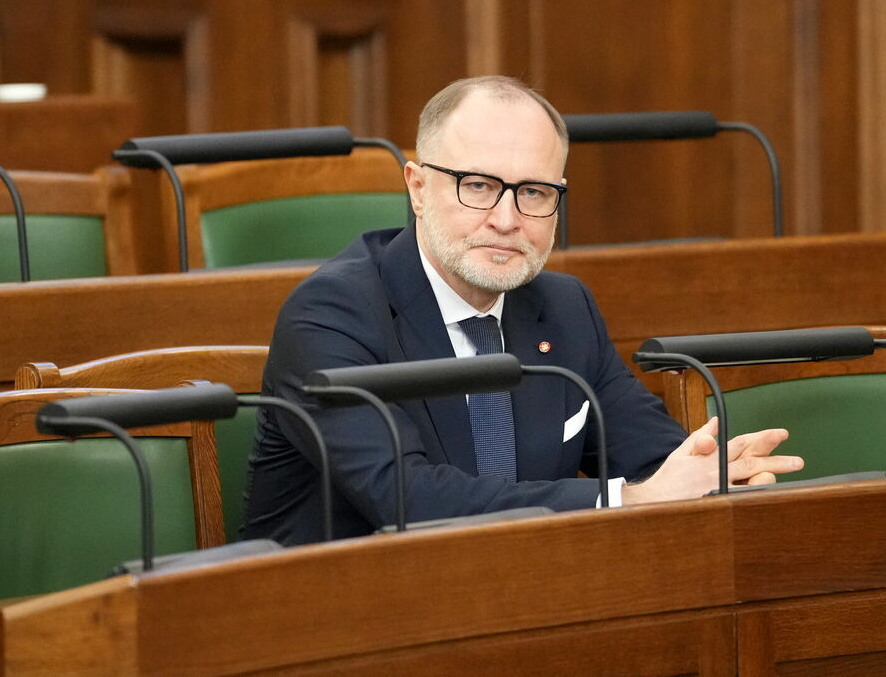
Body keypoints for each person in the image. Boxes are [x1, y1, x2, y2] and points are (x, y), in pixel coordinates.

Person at [243, 76, 802, 545]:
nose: (508, 219)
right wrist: (626, 500)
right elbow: (406, 499)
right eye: (478, 186)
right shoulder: (333, 314)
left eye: (533, 192)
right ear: (417, 188)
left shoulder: (563, 307)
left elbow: (650, 459)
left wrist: (714, 471)